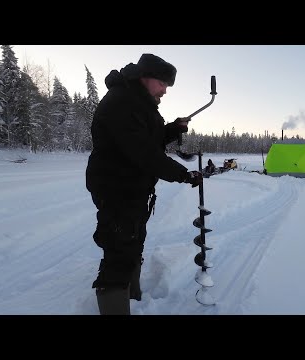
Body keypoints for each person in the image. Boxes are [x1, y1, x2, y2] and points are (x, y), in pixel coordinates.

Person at [85, 53, 203, 315]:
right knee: (119, 246)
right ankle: (115, 303)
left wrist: (174, 128)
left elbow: (151, 136)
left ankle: (132, 295)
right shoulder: (122, 102)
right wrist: (184, 174)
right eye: (162, 83)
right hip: (116, 187)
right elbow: (143, 152)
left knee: (133, 239)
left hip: (134, 188)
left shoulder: (139, 102)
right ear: (145, 77)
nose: (165, 91)